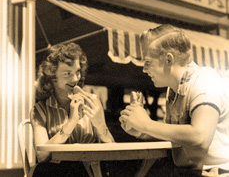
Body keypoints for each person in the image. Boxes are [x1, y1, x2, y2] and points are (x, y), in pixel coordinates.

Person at [119, 24, 229, 177]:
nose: (144, 69)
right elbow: (177, 136)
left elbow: (200, 136)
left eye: (148, 62)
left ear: (169, 59)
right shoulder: (174, 90)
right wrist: (142, 132)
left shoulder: (204, 79)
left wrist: (146, 124)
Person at [30, 42, 115, 177]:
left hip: (90, 171)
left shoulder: (92, 101)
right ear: (52, 77)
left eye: (78, 72)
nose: (75, 79)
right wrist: (71, 123)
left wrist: (101, 126)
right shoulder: (40, 110)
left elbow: (112, 150)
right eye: (67, 73)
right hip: (57, 172)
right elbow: (42, 155)